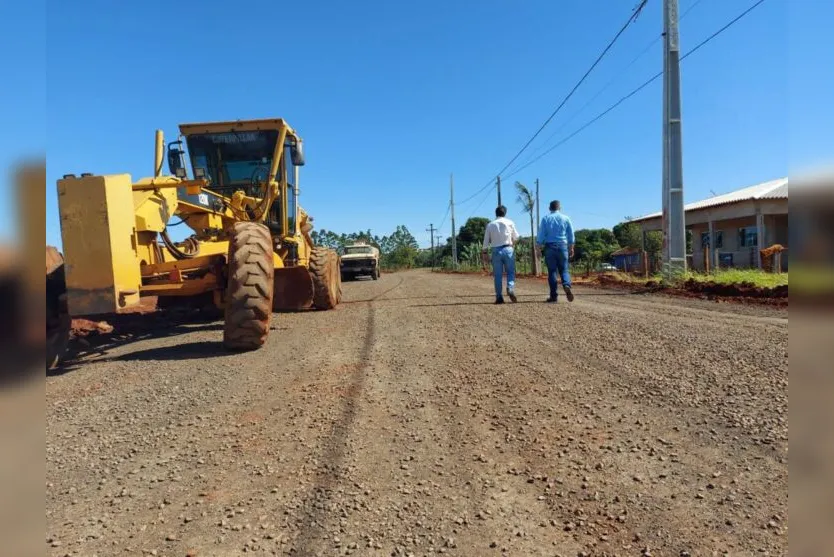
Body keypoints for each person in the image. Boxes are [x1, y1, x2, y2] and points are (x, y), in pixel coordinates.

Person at [536, 200, 575, 303]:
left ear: (549, 208)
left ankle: (553, 296)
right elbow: (571, 234)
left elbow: (541, 235)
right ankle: (566, 285)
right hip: (563, 246)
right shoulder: (566, 218)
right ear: (560, 208)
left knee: (552, 272)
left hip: (549, 247)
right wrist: (571, 247)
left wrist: (538, 248)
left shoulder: (545, 218)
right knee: (564, 270)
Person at [482, 205, 520, 304]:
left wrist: (485, 253)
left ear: (496, 213)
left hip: (496, 251)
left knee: (497, 275)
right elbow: (516, 237)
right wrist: (512, 245)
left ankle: (499, 297)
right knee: (510, 272)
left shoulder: (490, 224)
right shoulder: (510, 222)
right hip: (508, 249)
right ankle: (510, 288)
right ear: (505, 213)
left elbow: (486, 240)